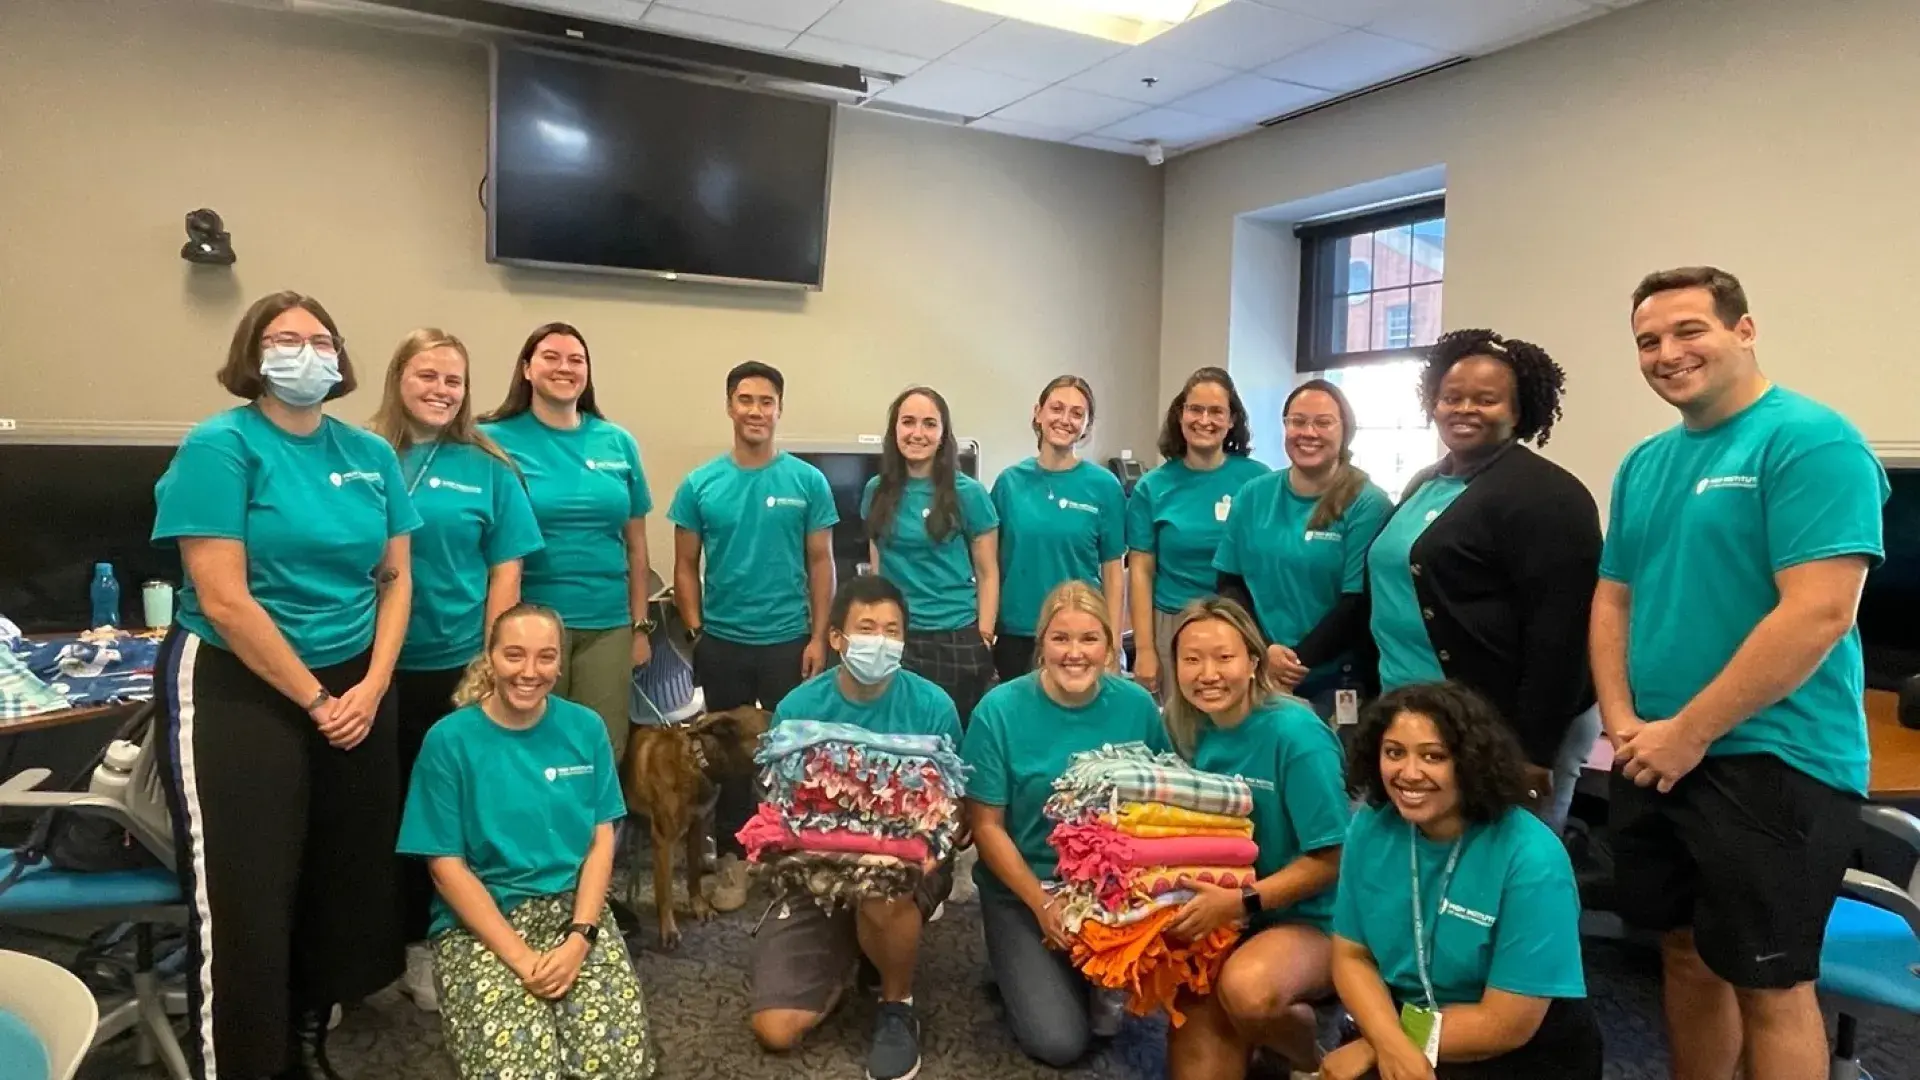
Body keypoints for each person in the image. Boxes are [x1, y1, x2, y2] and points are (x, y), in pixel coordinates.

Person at [1594, 267, 1887, 1080]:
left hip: (1775, 759)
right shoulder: (1645, 463)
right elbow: (1613, 598)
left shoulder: (1812, 441)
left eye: (1690, 330)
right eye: (1648, 341)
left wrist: (1690, 732)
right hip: (1656, 753)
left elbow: (1820, 612)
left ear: (1745, 330)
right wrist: (1621, 719)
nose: (1667, 353)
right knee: (1684, 955)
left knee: (1772, 984)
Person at [151, 291, 421, 1080]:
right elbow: (224, 598)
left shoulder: (369, 454)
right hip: (242, 680)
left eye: (320, 340)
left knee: (341, 879)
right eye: (284, 339)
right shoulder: (221, 446)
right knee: (249, 896)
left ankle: (305, 1040)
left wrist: (374, 683)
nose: (306, 353)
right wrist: (316, 699)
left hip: (356, 680)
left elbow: (396, 577)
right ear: (253, 355)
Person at [397, 603, 656, 1080]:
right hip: (484, 920)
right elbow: (445, 868)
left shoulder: (585, 728)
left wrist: (580, 937)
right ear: (490, 658)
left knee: (615, 1063)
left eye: (545, 657)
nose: (530, 671)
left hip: (573, 910)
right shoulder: (449, 741)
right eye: (514, 655)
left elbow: (601, 840)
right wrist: (522, 959)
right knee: (519, 1067)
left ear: (560, 663)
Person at [369, 328, 546, 1013]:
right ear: (398, 378)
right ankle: (363, 951)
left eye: (454, 380)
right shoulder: (362, 454)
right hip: (369, 668)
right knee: (372, 813)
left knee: (445, 817)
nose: (442, 390)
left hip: (455, 668)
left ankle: (428, 946)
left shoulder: (489, 467)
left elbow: (506, 569)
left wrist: (490, 663)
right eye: (428, 376)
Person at [1362, 329, 1601, 833]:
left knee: (1503, 862)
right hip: (1418, 715)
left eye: (1486, 399)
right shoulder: (1427, 482)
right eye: (1451, 397)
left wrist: (1533, 751)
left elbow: (1561, 637)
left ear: (1518, 410)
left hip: (1504, 728)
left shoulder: (1550, 496)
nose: (1464, 409)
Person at [1321, 682, 1602, 1080]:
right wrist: (1388, 1040)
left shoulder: (1531, 856)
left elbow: (1505, 1024)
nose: (1409, 774)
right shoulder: (1371, 826)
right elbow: (1352, 956)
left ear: (1469, 761)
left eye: (1433, 756)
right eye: (1394, 753)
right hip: (1404, 1023)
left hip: (1520, 1049)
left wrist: (1380, 1044)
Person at [747, 575, 962, 1080]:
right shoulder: (798, 710)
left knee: (880, 890)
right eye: (866, 629)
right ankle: (851, 953)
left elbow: (954, 808)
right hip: (813, 872)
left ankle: (897, 1004)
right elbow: (773, 804)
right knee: (775, 1030)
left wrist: (929, 854)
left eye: (892, 630)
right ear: (837, 638)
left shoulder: (933, 707)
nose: (880, 641)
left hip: (903, 868)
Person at [961, 581, 1168, 1067]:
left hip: (1114, 885)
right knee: (1059, 1042)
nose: (1075, 653)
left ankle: (1068, 969)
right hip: (1025, 888)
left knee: (1143, 1001)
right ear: (1041, 645)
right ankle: (1015, 956)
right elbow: (986, 827)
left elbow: (1160, 803)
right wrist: (1042, 904)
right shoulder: (999, 711)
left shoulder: (1137, 706)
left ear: (1109, 646)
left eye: (1089, 638)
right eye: (1061, 639)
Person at [670, 360, 837, 913]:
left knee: (798, 756)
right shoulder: (700, 484)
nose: (756, 410)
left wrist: (819, 637)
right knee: (731, 765)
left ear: (779, 409)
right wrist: (696, 631)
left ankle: (795, 858)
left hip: (790, 641)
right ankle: (735, 860)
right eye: (746, 400)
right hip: (724, 642)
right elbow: (685, 565)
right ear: (730, 406)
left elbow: (821, 563)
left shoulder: (807, 482)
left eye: (766, 401)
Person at [1161, 599, 1348, 1080]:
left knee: (1246, 990)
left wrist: (1240, 902)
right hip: (1223, 917)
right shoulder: (1183, 729)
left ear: (1253, 662)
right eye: (1192, 659)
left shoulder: (1297, 734)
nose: (1208, 674)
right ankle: (1259, 1032)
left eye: (1223, 657)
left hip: (1311, 918)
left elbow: (1334, 858)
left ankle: (1314, 1060)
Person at [480, 322, 653, 760]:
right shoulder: (493, 441)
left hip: (607, 624)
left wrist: (640, 627)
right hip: (528, 625)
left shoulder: (618, 442)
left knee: (601, 749)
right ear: (526, 368)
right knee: (530, 748)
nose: (565, 367)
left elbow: (637, 547)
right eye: (551, 357)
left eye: (576, 360)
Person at [1215, 379, 1391, 715]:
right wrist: (1264, 651)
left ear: (1346, 431)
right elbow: (1230, 583)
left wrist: (1293, 662)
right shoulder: (1253, 495)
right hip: (1258, 667)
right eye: (1297, 421)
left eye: (1323, 422)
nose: (1308, 432)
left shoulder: (1367, 504)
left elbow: (1356, 604)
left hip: (1334, 679)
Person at [1128, 368, 1270, 700]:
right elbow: (1141, 571)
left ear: (1232, 420)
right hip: (1173, 624)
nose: (1204, 420)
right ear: (1181, 415)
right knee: (1175, 722)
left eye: (1216, 411)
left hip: (1241, 622)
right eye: (1195, 409)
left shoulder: (1258, 481)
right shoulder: (1153, 487)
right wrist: (1145, 650)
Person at [862, 385, 1000, 724]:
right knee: (898, 734)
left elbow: (988, 572)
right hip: (895, 635)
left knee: (952, 737)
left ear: (943, 434)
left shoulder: (970, 493)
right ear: (895, 430)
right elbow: (877, 562)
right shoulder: (876, 490)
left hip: (955, 636)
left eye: (929, 424)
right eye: (908, 422)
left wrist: (984, 635)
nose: (917, 433)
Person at [990, 376, 1127, 684]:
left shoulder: (1104, 486)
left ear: (1087, 426)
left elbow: (1113, 572)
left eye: (1077, 413)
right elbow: (990, 565)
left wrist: (1113, 643)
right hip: (1017, 633)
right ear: (1038, 413)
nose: (1065, 419)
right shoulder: (1008, 483)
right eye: (1057, 408)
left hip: (1079, 633)